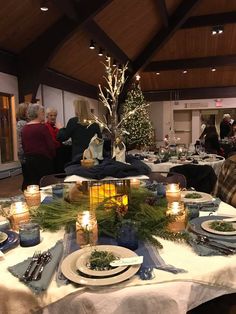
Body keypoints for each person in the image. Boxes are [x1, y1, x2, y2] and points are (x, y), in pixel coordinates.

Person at [22, 103, 56, 188]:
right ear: (36, 114)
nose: (44, 115)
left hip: (29, 161)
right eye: (42, 113)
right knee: (45, 185)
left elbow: (24, 145)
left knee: (33, 185)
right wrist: (52, 156)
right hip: (43, 161)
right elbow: (51, 145)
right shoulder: (42, 127)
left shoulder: (25, 128)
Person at [16, 102, 29, 190]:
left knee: (27, 175)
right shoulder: (22, 123)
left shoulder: (24, 122)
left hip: (23, 151)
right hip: (24, 152)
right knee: (27, 175)